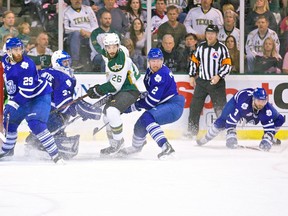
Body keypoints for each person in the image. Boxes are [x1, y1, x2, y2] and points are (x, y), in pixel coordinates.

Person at [25, 50, 102, 159]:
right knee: (61, 117)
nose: (68, 65)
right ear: (57, 63)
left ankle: (35, 137)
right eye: (64, 62)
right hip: (45, 113)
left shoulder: (46, 72)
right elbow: (64, 104)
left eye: (68, 62)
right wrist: (79, 110)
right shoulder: (61, 76)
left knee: (59, 114)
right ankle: (41, 142)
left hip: (31, 111)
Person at [0, 38, 63, 164]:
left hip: (38, 97)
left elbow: (27, 92)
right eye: (15, 50)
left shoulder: (27, 65)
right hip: (21, 97)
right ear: (8, 51)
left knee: (36, 124)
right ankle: (7, 150)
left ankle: (56, 155)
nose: (18, 53)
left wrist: (12, 104)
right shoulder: (4, 62)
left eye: (20, 49)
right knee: (10, 122)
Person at [118, 48, 185, 159]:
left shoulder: (160, 75)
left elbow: (151, 102)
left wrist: (132, 107)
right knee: (140, 124)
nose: (156, 63)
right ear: (148, 61)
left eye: (158, 60)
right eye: (153, 61)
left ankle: (166, 147)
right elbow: (150, 92)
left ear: (162, 60)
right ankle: (136, 147)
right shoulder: (150, 72)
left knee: (147, 117)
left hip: (173, 106)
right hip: (165, 104)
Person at [86, 33, 141, 156]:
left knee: (111, 111)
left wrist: (98, 90)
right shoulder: (110, 52)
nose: (111, 50)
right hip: (121, 88)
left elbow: (114, 85)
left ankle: (118, 142)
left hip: (130, 88)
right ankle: (113, 145)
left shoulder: (119, 62)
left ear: (118, 46)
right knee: (106, 116)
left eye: (113, 47)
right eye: (108, 47)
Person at [196, 87, 285, 151]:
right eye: (259, 101)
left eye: (263, 101)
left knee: (280, 119)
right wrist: (231, 135)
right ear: (253, 99)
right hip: (236, 102)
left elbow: (268, 126)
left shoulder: (266, 108)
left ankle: (269, 137)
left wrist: (267, 138)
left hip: (248, 108)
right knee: (222, 120)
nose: (261, 104)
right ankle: (206, 138)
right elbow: (231, 120)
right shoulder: (243, 103)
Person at [186, 24, 232, 138]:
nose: (210, 36)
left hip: (217, 83)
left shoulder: (222, 48)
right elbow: (194, 61)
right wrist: (192, 75)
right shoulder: (201, 47)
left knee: (220, 108)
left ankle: (225, 132)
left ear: (216, 35)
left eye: (212, 34)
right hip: (202, 82)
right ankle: (192, 132)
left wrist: (219, 76)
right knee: (195, 107)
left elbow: (227, 65)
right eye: (208, 33)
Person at [64, 0, 99, 70]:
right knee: (76, 34)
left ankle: (97, 62)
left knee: (99, 36)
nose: (77, 1)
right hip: (73, 37)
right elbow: (66, 29)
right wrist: (80, 30)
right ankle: (75, 62)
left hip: (88, 35)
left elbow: (95, 26)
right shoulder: (66, 11)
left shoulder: (88, 9)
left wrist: (89, 33)